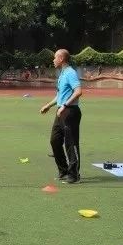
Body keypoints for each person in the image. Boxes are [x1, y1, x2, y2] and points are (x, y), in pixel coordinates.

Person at [39, 49, 83, 184]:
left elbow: (78, 91)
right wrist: (48, 105)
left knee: (71, 143)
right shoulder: (62, 74)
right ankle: (63, 170)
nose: (53, 60)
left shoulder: (70, 72)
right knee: (55, 140)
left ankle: (74, 174)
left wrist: (64, 105)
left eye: (55, 58)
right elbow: (60, 95)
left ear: (62, 59)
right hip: (61, 111)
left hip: (70, 111)